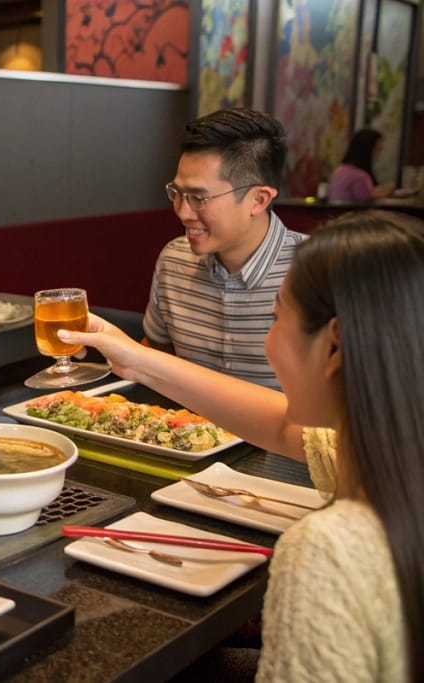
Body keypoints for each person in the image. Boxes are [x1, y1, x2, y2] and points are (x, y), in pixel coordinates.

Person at [60, 209, 421, 681]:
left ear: (334, 348)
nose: (269, 343)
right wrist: (139, 359)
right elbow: (279, 427)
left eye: (277, 319)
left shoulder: (328, 549)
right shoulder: (393, 459)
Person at [150, 107, 307, 390]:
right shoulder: (174, 259)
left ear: (258, 200)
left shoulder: (317, 271)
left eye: (199, 197)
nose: (183, 213)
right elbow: (156, 354)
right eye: (177, 193)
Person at [327, 129, 392, 202]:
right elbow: (366, 200)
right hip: (349, 213)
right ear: (366, 150)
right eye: (377, 150)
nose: (378, 156)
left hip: (336, 212)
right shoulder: (360, 176)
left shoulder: (340, 170)